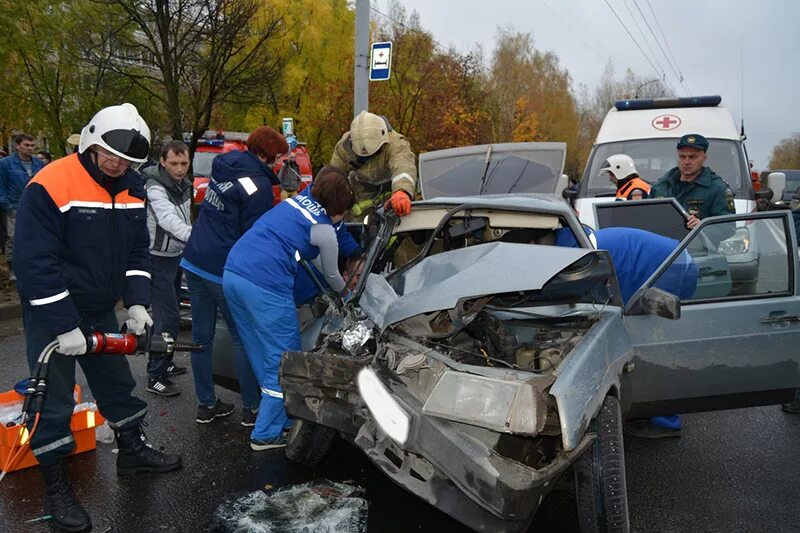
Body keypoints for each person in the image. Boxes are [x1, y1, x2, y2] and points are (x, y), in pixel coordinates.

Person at [13, 103, 181, 532]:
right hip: (52, 311)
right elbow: (34, 262)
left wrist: (138, 301)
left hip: (100, 307)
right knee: (52, 400)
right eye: (112, 156)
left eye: (127, 161)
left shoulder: (131, 186)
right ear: (91, 142)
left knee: (116, 382)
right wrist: (63, 324)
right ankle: (56, 486)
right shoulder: (50, 184)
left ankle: (132, 451)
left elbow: (137, 251)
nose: (118, 166)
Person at [223, 166, 355, 450]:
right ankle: (266, 434)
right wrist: (348, 295)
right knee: (285, 359)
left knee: (259, 351)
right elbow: (332, 275)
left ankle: (279, 416)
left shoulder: (296, 202)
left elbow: (308, 255)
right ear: (339, 209)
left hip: (234, 273)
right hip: (265, 286)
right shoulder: (326, 230)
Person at [536, 225, 697, 437]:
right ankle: (651, 406)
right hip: (666, 260)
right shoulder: (574, 238)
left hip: (674, 267)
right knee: (637, 335)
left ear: (539, 240)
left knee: (655, 343)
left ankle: (666, 421)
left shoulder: (575, 257)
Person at [181, 126, 287, 425]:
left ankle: (206, 403)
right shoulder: (258, 186)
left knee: (201, 337)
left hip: (194, 259)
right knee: (244, 338)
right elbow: (253, 237)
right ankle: (251, 409)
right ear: (266, 155)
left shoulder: (224, 166)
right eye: (278, 157)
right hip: (221, 268)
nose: (280, 163)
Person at [143, 140, 193, 397]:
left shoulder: (183, 184)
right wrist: (193, 237)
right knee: (167, 318)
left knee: (172, 313)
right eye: (174, 163)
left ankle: (166, 359)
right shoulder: (154, 186)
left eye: (184, 163)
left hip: (174, 256)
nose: (180, 169)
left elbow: (185, 216)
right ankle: (155, 374)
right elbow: (167, 219)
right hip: (157, 258)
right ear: (162, 161)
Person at [330, 111, 417, 220]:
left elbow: (403, 167)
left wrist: (402, 190)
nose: (368, 158)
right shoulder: (344, 147)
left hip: (392, 205)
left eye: (373, 154)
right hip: (358, 210)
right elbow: (333, 177)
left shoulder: (396, 144)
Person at [649, 133, 735, 228]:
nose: (686, 162)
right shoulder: (660, 186)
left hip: (698, 242)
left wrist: (703, 227)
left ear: (704, 158)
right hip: (663, 241)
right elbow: (646, 217)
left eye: (693, 157)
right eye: (682, 157)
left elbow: (728, 227)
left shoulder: (717, 188)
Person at [0, 133, 45, 277]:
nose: (30, 148)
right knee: (13, 238)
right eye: (26, 145)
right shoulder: (6, 163)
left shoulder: (38, 164)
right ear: (17, 145)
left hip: (35, 206)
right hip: (14, 204)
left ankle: (32, 265)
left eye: (32, 145)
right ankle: (13, 268)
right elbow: (1, 185)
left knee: (36, 236)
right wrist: (7, 205)